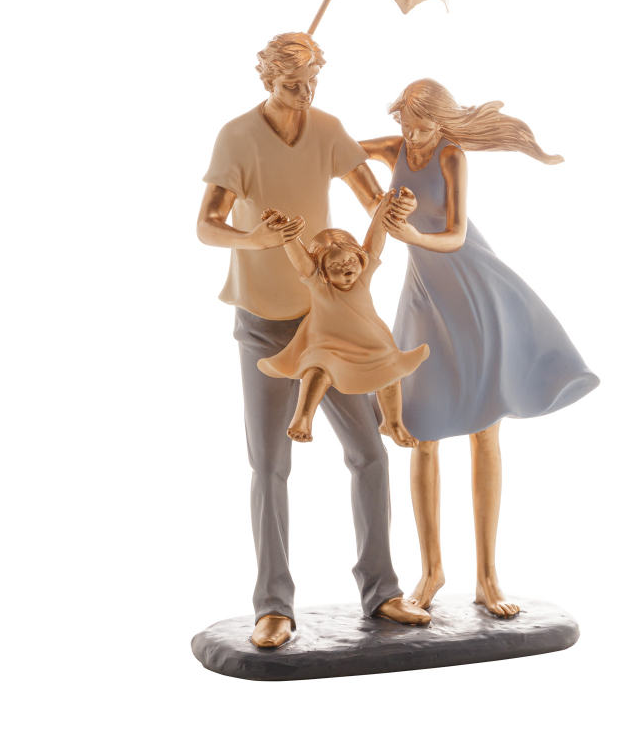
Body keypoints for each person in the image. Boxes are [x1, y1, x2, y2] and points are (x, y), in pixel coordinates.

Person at [197, 32, 429, 649]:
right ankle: (273, 605)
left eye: (312, 81)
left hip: (328, 322)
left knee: (370, 452)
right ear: (266, 79)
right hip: (263, 321)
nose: (305, 94)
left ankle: (381, 590)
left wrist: (396, 207)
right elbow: (207, 225)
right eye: (291, 84)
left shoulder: (326, 128)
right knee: (271, 464)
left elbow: (371, 197)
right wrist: (258, 238)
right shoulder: (237, 137)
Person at [360, 78, 600, 616]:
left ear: (441, 122)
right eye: (405, 123)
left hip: (469, 289)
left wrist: (410, 235)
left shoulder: (451, 157)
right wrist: (376, 203)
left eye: (421, 125)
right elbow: (338, 153)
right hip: (424, 298)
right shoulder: (393, 148)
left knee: (483, 428)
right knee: (420, 430)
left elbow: (455, 234)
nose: (411, 134)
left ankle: (488, 578)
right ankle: (431, 570)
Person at [257, 191, 428, 447]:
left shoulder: (363, 276)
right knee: (317, 368)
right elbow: (302, 261)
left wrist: (383, 208)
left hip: (372, 342)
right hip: (328, 345)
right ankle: (303, 417)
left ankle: (393, 423)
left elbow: (375, 238)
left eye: (350, 262)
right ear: (323, 272)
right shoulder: (320, 284)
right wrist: (287, 234)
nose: (347, 270)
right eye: (335, 267)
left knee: (391, 371)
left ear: (360, 258)